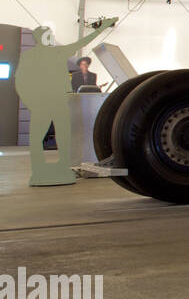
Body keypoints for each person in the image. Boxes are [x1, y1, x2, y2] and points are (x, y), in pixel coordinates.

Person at [15, 19, 117, 186]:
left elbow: (82, 42)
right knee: (37, 138)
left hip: (60, 102)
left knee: (63, 136)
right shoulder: (30, 56)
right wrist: (31, 102)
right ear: (41, 37)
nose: (52, 37)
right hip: (42, 102)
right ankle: (39, 171)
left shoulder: (59, 52)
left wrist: (102, 29)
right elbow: (20, 81)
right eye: (49, 35)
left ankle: (63, 168)